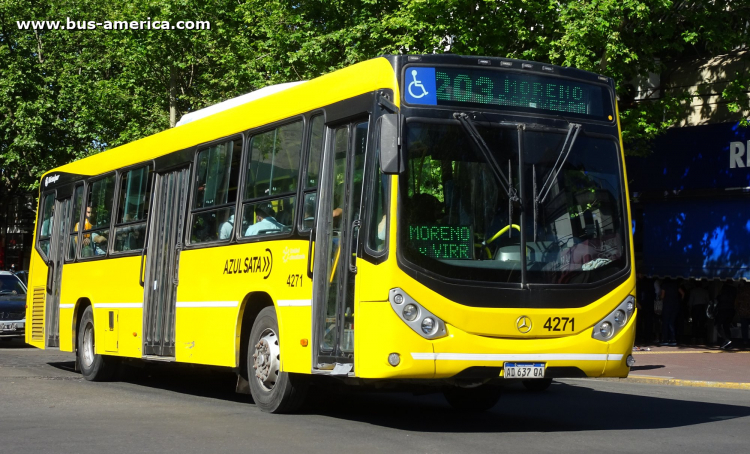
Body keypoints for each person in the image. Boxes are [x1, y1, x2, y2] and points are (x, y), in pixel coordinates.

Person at [660, 278, 684, 346]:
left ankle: (665, 339)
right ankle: (673, 339)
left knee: (665, 322)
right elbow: (682, 293)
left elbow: (662, 296)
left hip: (667, 305)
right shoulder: (676, 285)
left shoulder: (664, 285)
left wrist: (660, 298)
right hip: (675, 306)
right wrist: (679, 301)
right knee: (672, 322)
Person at [716, 282, 738, 350]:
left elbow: (719, 298)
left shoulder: (723, 289)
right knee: (726, 326)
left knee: (718, 325)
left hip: (723, 309)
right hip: (731, 309)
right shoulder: (734, 290)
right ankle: (728, 342)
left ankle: (726, 340)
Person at [636, 273, 656, 344]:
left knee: (639, 322)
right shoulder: (651, 283)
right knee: (648, 323)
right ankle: (648, 338)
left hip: (641, 304)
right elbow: (654, 294)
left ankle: (639, 338)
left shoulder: (638, 284)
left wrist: (637, 303)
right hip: (649, 305)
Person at [733, 282, 750, 349]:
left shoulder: (741, 290)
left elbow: (737, 301)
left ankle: (745, 341)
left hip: (743, 312)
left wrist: (737, 309)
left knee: (744, 328)